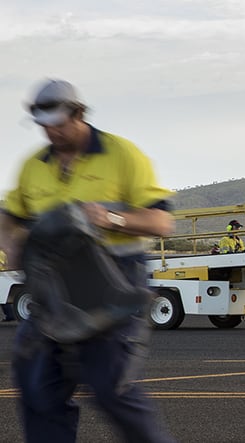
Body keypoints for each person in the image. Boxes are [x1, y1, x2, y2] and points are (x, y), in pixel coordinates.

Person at [1, 79, 176, 442]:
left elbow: (162, 222)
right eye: (44, 125)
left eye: (58, 124)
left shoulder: (121, 155)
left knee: (112, 389)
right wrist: (11, 245)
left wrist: (109, 218)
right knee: (38, 385)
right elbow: (8, 216)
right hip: (56, 291)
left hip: (113, 286)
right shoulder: (34, 166)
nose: (51, 132)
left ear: (79, 114)